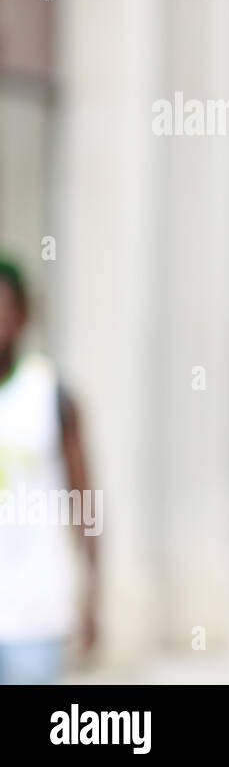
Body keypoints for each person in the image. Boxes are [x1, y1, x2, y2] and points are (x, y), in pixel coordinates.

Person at [0, 258, 98, 684]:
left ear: (23, 316)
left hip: (34, 615)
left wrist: (92, 594)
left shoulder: (51, 394)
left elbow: (86, 502)